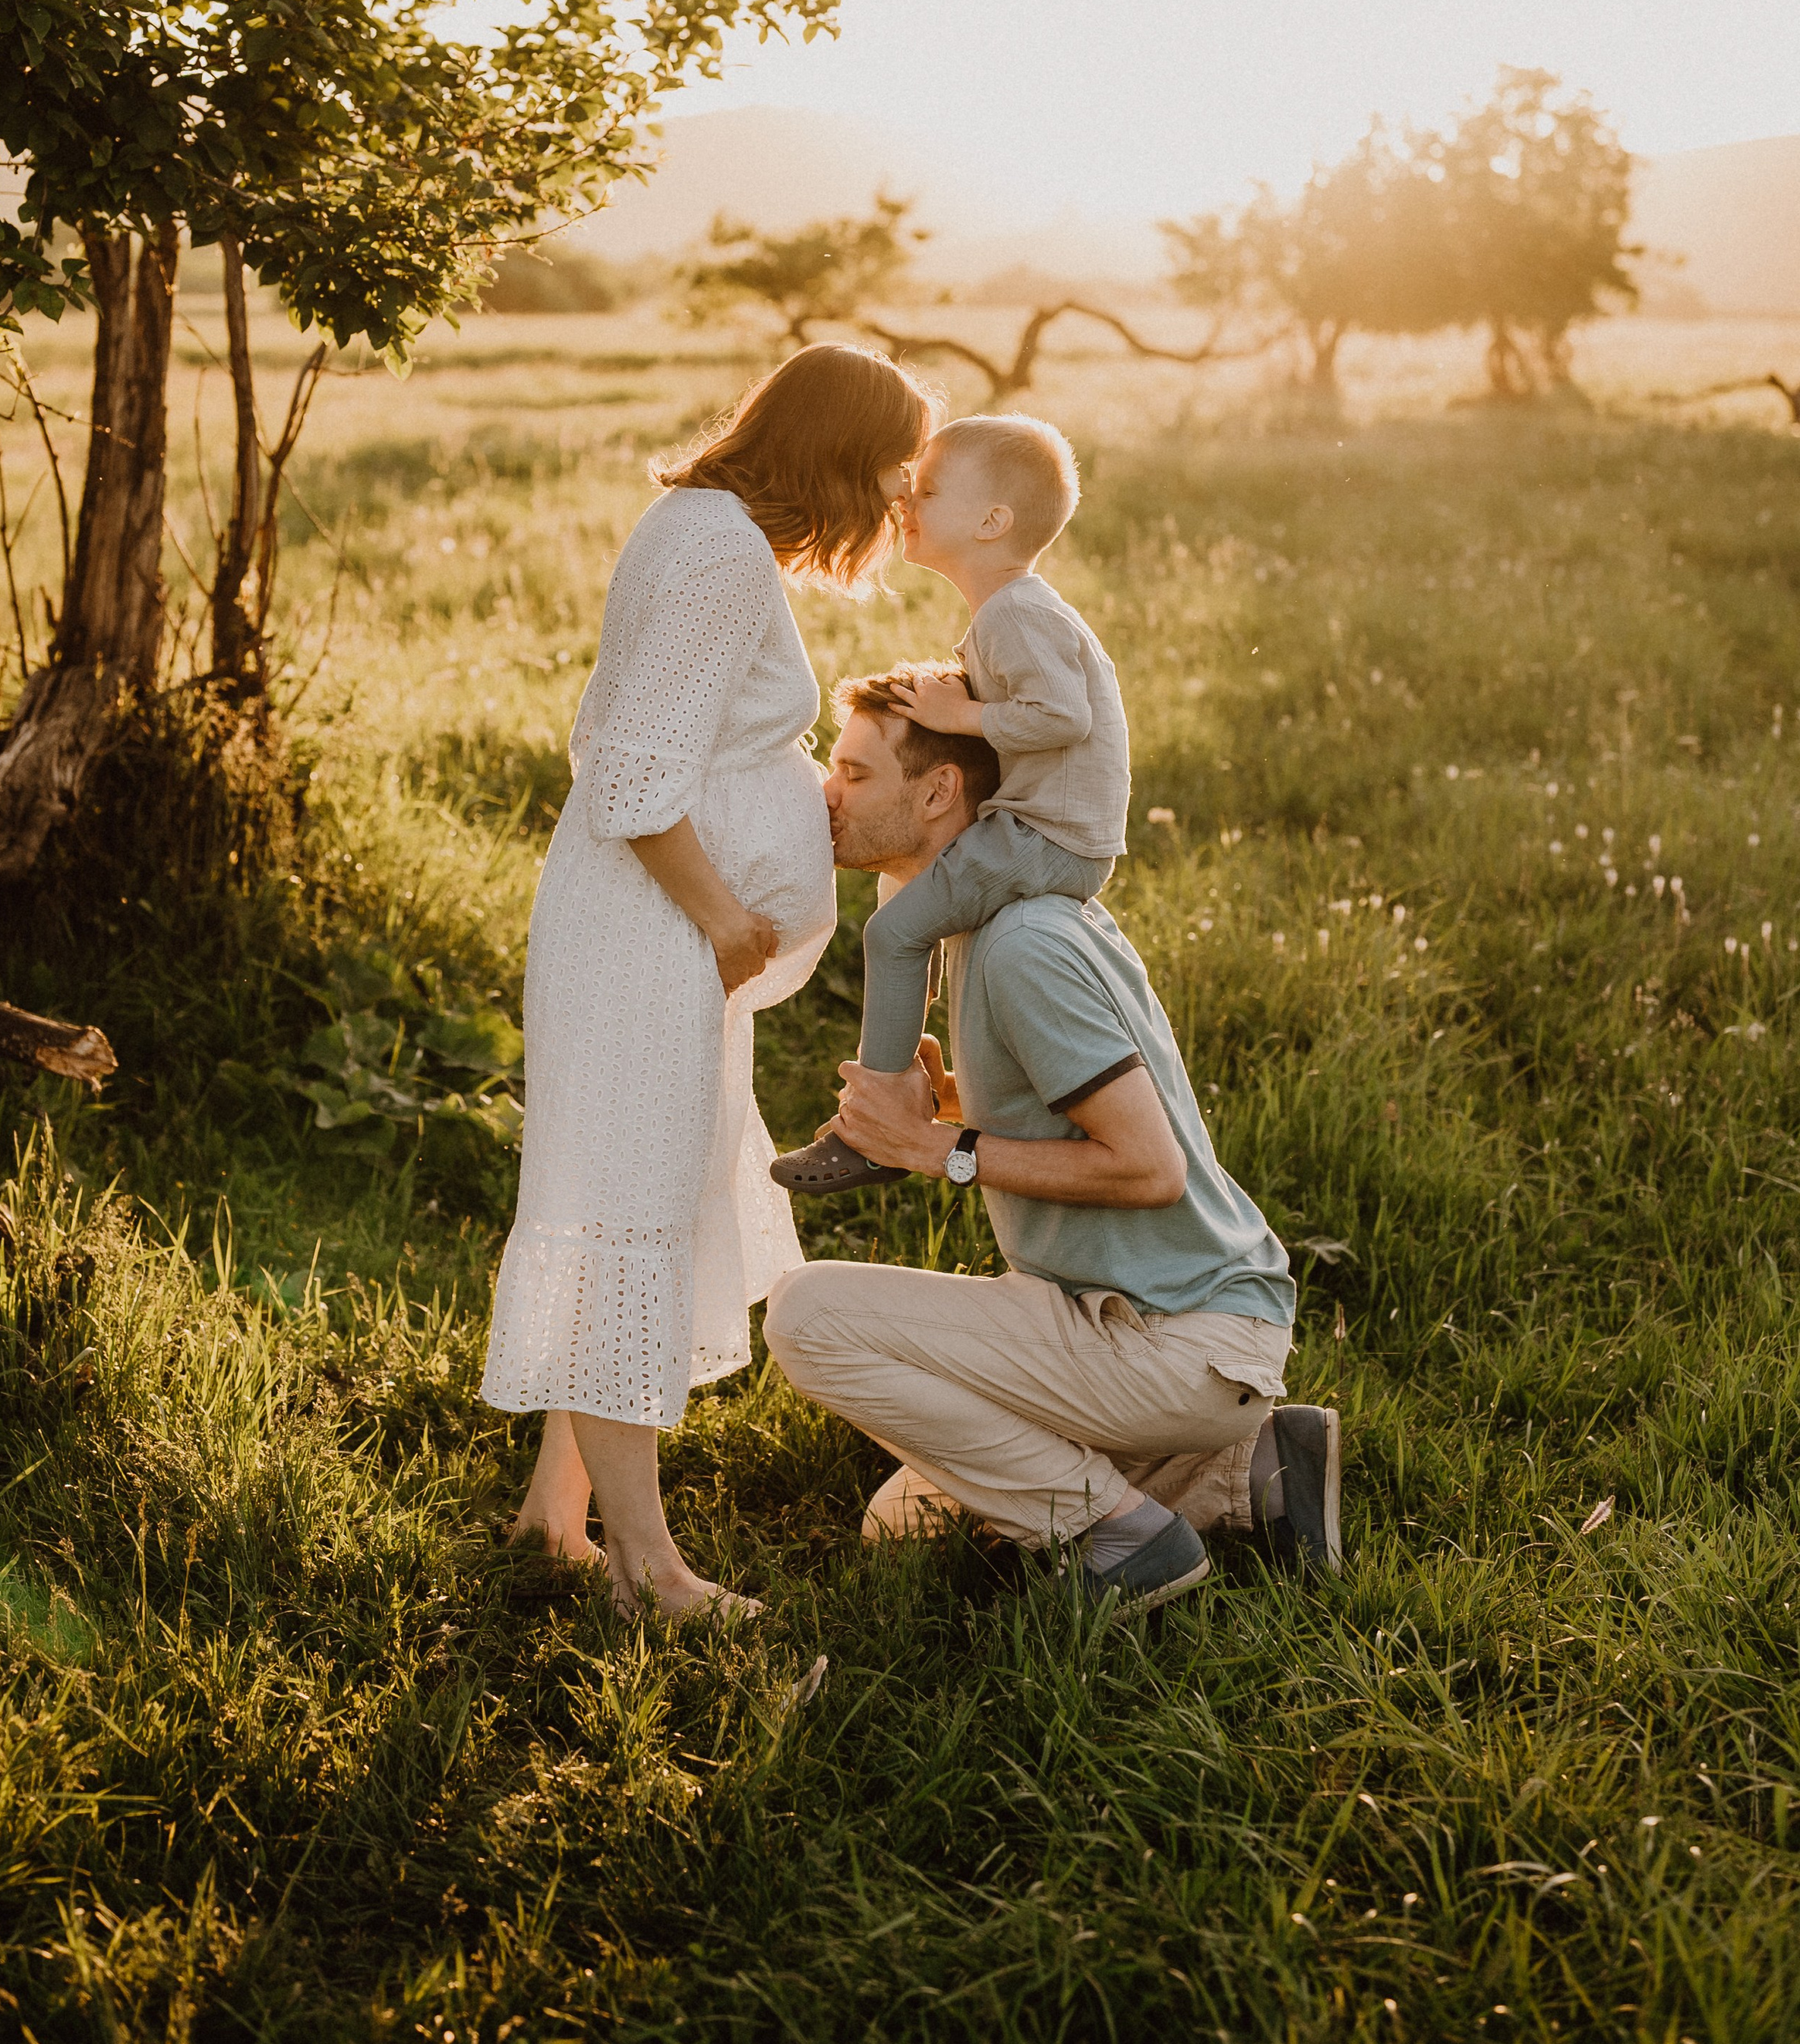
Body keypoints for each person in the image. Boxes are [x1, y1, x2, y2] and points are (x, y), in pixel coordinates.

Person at [482, 348, 936, 1620]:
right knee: (625, 1210)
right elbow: (629, 774)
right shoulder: (721, 550)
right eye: (890, 467)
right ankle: (646, 1569)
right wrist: (728, 919)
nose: (896, 495)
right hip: (649, 933)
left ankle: (551, 1514)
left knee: (639, 1199)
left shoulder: (706, 524)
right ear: (837, 454)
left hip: (655, 935)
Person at [763, 667, 1341, 1604]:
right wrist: (959, 1112)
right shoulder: (974, 925)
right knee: (898, 1527)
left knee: (805, 1316)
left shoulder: (1022, 943)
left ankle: (1118, 1536)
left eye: (854, 772)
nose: (827, 792)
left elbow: (1147, 1167)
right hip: (1118, 1319)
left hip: (1176, 1336)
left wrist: (937, 1152)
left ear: (938, 790)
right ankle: (1251, 1467)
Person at [771, 414, 1130, 1195]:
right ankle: (908, 1072)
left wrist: (955, 717)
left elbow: (1063, 716)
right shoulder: (1003, 611)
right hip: (1037, 827)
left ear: (991, 521)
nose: (905, 497)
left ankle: (870, 1130)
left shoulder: (1016, 611)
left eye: (927, 489)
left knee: (894, 930)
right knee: (905, 892)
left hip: (1049, 835)